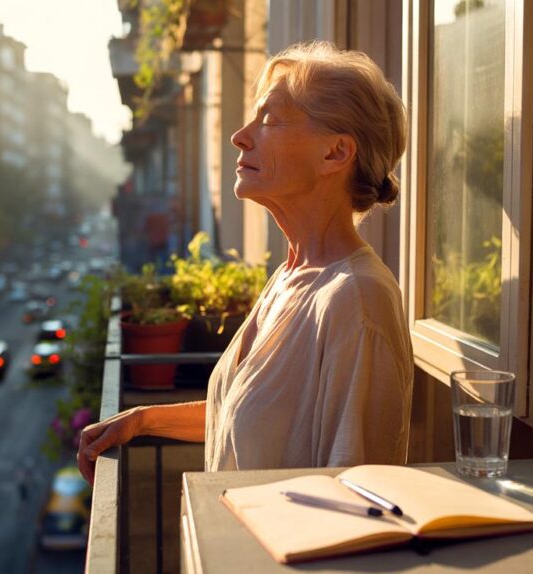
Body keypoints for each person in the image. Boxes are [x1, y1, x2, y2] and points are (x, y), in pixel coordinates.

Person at [78, 41, 412, 483]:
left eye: (269, 119)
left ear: (335, 153)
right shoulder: (291, 276)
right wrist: (142, 420)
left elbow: (359, 496)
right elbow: (252, 416)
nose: (240, 135)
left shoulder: (356, 298)